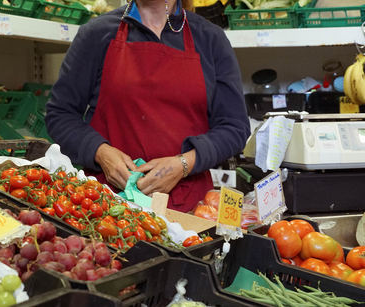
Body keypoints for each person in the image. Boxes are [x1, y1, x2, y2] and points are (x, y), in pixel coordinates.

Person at [45, 0, 250, 212]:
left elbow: (235, 127)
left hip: (189, 209)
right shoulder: (96, 34)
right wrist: (100, 152)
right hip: (106, 205)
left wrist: (184, 163)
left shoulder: (210, 39)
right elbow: (60, 115)